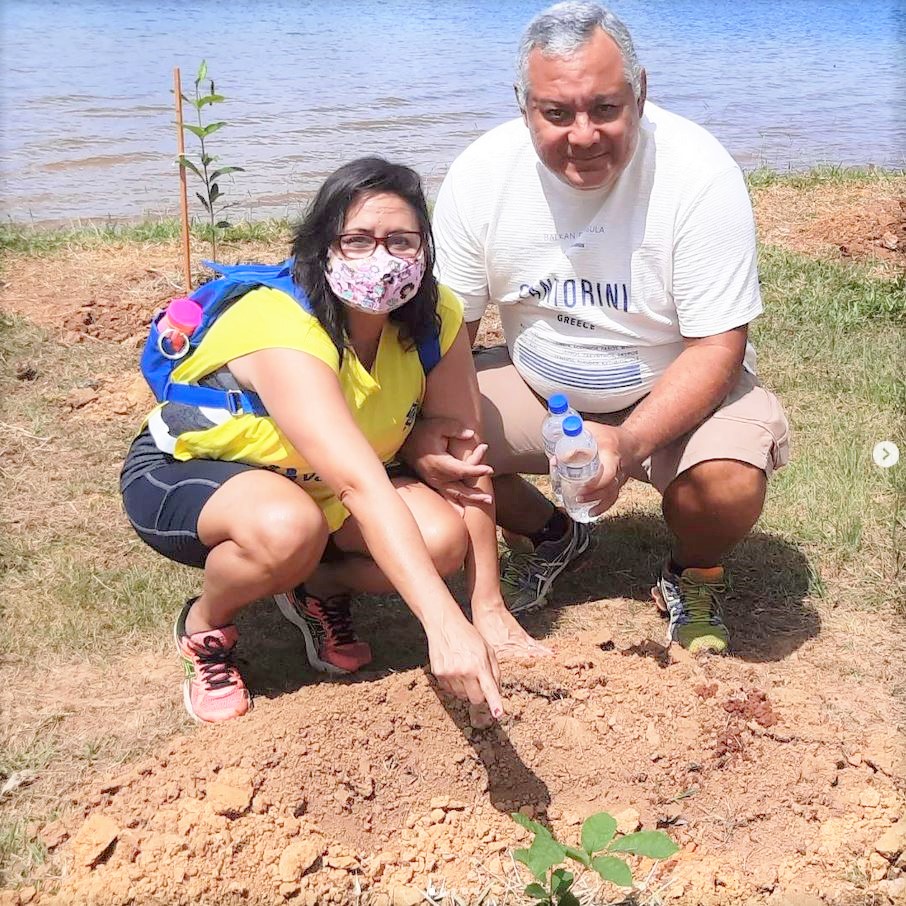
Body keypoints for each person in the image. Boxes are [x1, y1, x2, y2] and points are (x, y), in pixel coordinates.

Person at [403, 1, 790, 654]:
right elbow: (450, 334)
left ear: (639, 92)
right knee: (417, 432)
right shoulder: (480, 174)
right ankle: (553, 533)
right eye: (556, 113)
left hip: (669, 392)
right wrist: (428, 426)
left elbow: (719, 345)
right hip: (537, 392)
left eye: (605, 108)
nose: (582, 135)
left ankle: (691, 574)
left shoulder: (699, 172)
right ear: (523, 104)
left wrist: (629, 441)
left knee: (727, 483)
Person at [120, 157, 550, 724]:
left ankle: (315, 584)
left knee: (441, 542)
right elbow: (359, 484)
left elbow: (466, 458)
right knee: (286, 527)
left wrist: (486, 604)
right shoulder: (283, 326)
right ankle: (205, 627)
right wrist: (446, 625)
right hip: (197, 471)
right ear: (322, 246)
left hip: (320, 483)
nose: (382, 258)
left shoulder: (434, 318)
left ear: (426, 247)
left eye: (401, 240)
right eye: (357, 240)